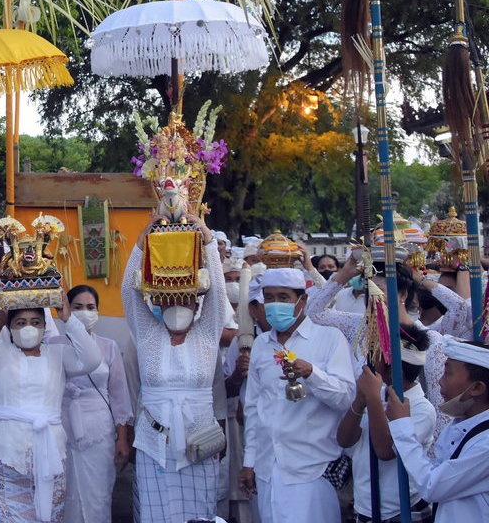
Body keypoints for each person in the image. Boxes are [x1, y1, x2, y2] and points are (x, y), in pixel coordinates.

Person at [0, 284, 101, 522]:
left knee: (49, 516)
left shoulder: (58, 354)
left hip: (51, 454)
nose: (28, 328)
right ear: (10, 327)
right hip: (6, 454)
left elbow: (92, 358)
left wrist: (67, 318)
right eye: (20, 322)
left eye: (35, 322)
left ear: (45, 327)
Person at [121, 214, 226, 522]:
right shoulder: (148, 334)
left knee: (200, 515)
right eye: (169, 301)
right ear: (159, 302)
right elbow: (129, 291)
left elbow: (218, 292)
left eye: (186, 300)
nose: (177, 307)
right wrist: (143, 240)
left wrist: (206, 238)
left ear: (197, 304)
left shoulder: (207, 333)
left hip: (200, 445)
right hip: (155, 446)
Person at [239, 268, 355, 523]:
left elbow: (346, 398)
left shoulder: (328, 338)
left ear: (301, 301)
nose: (275, 304)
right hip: (268, 467)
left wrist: (312, 374)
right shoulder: (261, 344)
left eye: (283, 296)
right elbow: (254, 408)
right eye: (269, 298)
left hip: (312, 469)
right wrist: (250, 460)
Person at [336, 327, 435, 523]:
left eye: (377, 354)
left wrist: (372, 397)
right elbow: (344, 440)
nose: (370, 358)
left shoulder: (422, 409)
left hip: (401, 510)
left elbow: (384, 451)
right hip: (366, 507)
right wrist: (361, 400)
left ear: (392, 366)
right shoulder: (377, 394)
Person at [52, 284, 133, 522]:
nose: (84, 312)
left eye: (90, 307)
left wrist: (122, 438)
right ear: (65, 310)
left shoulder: (109, 346)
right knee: (66, 492)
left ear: (98, 312)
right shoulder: (53, 344)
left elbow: (119, 395)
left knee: (98, 493)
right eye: (77, 307)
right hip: (63, 428)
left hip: (100, 430)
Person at [387, 337, 489, 521]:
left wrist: (402, 425)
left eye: (448, 373)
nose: (440, 381)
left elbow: (432, 486)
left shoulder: (486, 444)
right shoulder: (459, 424)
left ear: (477, 388)